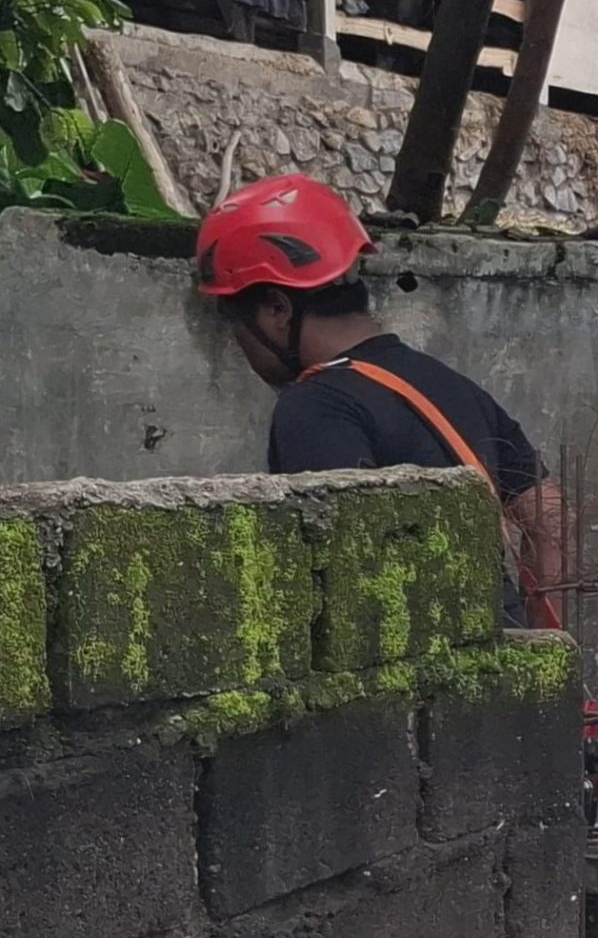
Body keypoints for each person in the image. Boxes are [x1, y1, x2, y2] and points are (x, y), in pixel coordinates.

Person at [195, 172, 567, 627]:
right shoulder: (447, 383)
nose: (246, 354)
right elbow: (551, 519)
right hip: (502, 661)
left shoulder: (315, 407)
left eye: (238, 334)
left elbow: (340, 575)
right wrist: (537, 642)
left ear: (277, 311)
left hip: (417, 681)